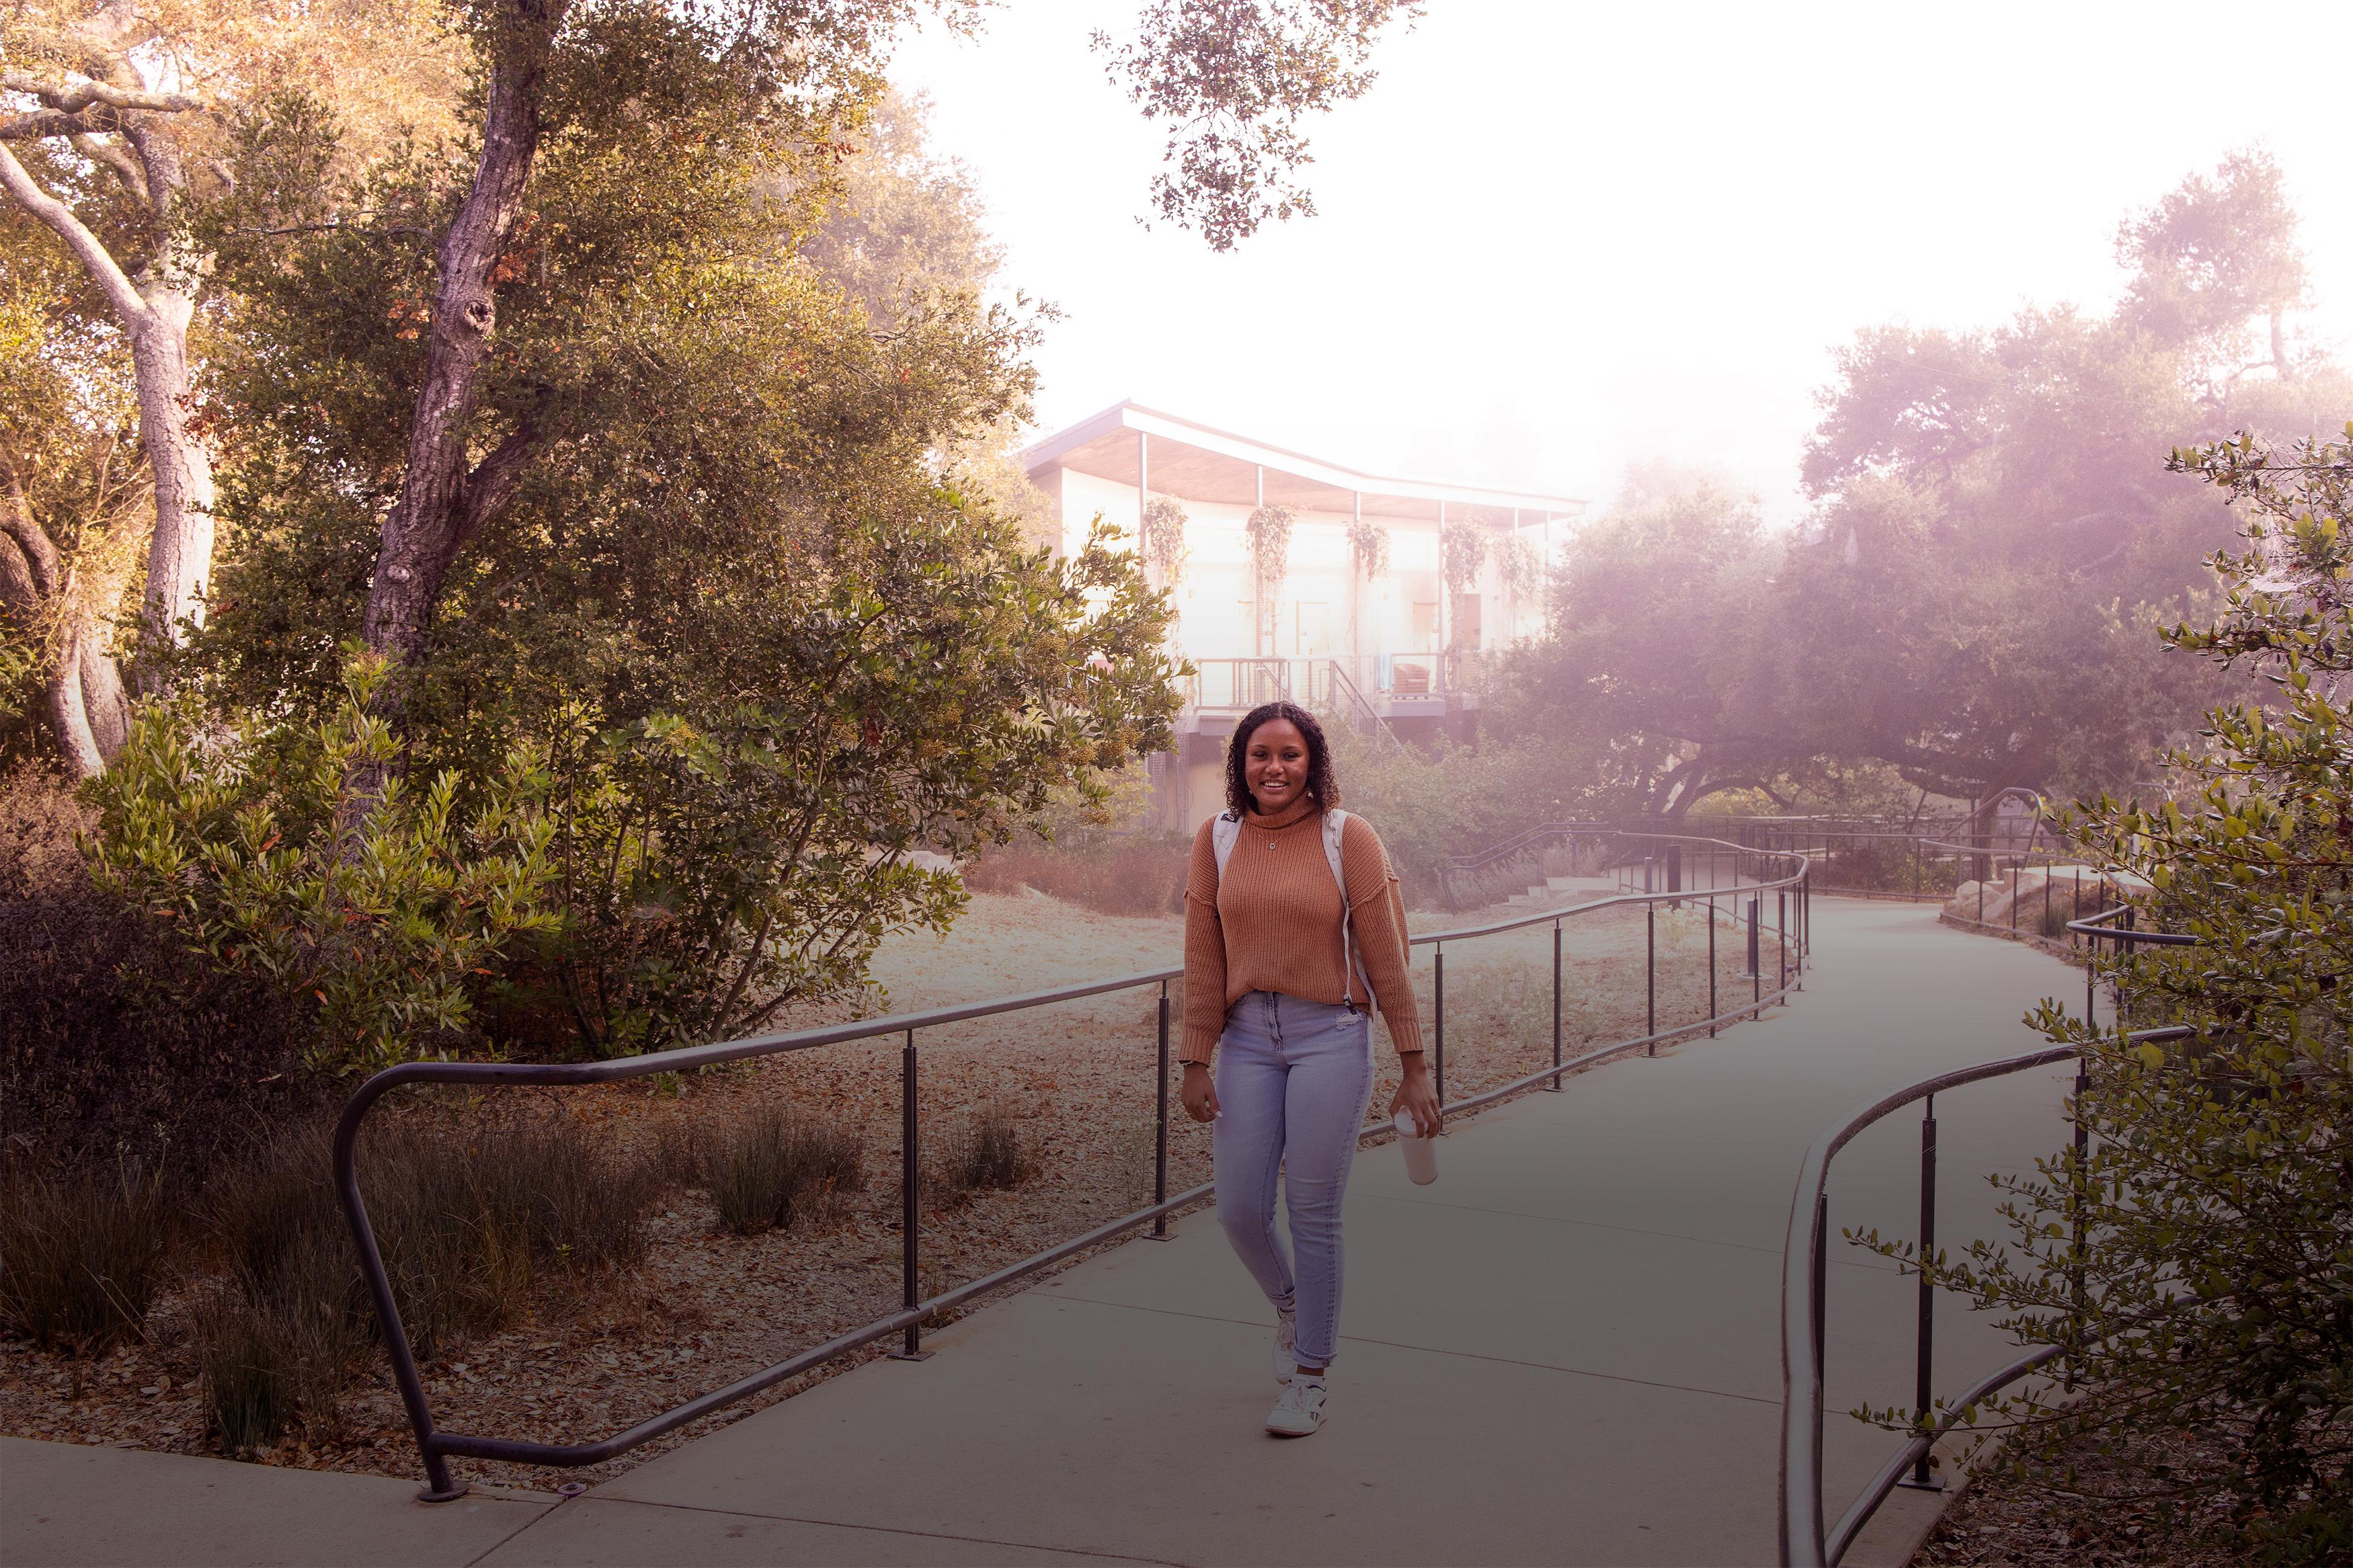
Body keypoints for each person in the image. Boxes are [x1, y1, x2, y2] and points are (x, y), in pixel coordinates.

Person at [1180, 700, 1438, 1438]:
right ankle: (1295, 1306)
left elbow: (1385, 954)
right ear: (1241, 762)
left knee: (1314, 1212)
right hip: (1245, 1041)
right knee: (1237, 1208)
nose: (1274, 767)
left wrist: (1412, 1064)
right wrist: (1195, 1057)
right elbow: (1203, 956)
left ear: (1311, 761)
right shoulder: (1217, 839)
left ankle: (1311, 1374)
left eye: (1289, 754)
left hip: (1328, 1032)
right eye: (1260, 753)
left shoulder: (1346, 836)